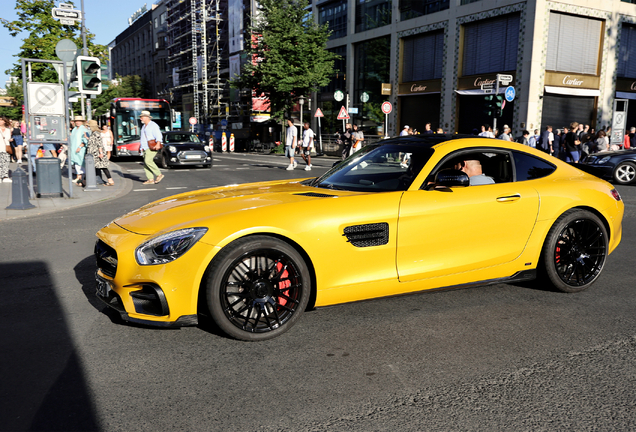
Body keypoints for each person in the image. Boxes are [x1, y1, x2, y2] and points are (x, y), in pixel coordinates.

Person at [86, 120, 114, 186]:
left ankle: (110, 181)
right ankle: (107, 180)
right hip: (94, 153)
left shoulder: (96, 133)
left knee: (102, 167)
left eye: (89, 126)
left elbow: (99, 144)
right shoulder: (95, 133)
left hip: (97, 153)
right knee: (97, 167)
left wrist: (101, 153)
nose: (88, 127)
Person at [139, 110, 164, 183]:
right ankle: (150, 179)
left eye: (142, 117)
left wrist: (158, 143)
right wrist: (140, 148)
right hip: (144, 147)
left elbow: (159, 135)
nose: (141, 119)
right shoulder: (144, 126)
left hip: (152, 146)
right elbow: (143, 138)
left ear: (146, 117)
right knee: (145, 163)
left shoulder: (153, 125)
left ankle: (159, 174)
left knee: (148, 161)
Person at [70, 115, 89, 183]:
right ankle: (78, 176)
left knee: (80, 162)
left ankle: (81, 177)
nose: (77, 122)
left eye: (79, 121)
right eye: (76, 121)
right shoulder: (75, 129)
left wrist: (80, 147)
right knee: (76, 162)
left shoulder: (83, 129)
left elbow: (85, 139)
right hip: (73, 148)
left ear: (82, 122)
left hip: (80, 149)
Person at [0, 116, 12, 182]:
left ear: (4, 121)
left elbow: (8, 138)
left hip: (6, 147)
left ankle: (5, 176)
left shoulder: (8, 130)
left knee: (6, 162)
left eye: (1, 120)